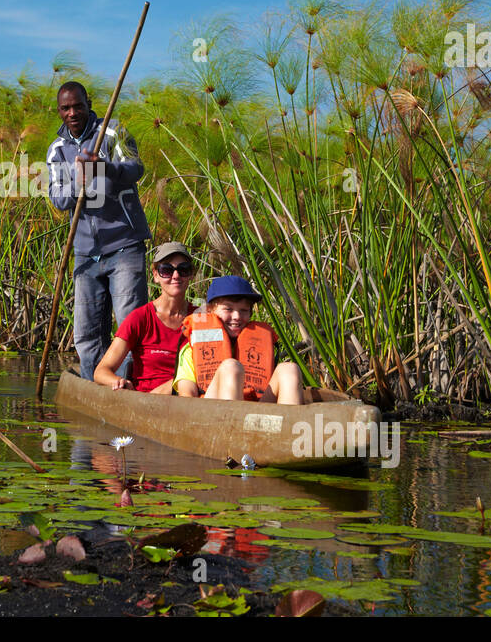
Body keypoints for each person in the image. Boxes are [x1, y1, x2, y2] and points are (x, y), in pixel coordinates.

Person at [46, 80, 151, 380]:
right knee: (87, 334)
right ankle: (96, 388)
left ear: (88, 104)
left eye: (78, 105)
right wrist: (80, 181)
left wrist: (103, 167)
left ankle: (131, 388)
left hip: (124, 246)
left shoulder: (113, 131)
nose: (73, 113)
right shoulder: (57, 150)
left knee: (129, 329)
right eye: (65, 108)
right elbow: (57, 197)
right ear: (59, 112)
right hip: (85, 254)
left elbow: (135, 168)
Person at [174, 275, 307, 404]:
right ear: (210, 310)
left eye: (243, 310)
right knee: (231, 367)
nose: (237, 316)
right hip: (212, 413)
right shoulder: (190, 351)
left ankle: (286, 424)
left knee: (289, 369)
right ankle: (232, 424)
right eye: (228, 309)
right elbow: (187, 397)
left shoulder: (261, 346)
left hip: (255, 410)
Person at [93, 242, 197, 394]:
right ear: (156, 275)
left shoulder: (201, 318)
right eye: (166, 270)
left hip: (189, 396)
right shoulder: (140, 318)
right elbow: (101, 372)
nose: (176, 276)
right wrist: (117, 381)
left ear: (191, 274)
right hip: (148, 399)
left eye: (183, 270)